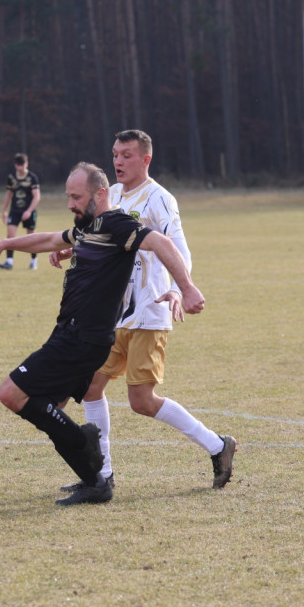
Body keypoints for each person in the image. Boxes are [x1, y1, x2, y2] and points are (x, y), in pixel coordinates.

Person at [0, 162, 205, 505]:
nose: (70, 204)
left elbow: (162, 243)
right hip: (71, 334)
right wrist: (1, 244)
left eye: (75, 197)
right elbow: (50, 238)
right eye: (68, 196)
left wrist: (185, 288)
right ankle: (94, 479)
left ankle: (88, 452)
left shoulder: (116, 224)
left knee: (12, 393)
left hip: (82, 339)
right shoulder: (89, 226)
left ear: (101, 194)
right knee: (50, 408)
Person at [51, 130, 235, 493]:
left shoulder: (160, 199)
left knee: (142, 401)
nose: (118, 161)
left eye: (127, 155)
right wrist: (69, 250)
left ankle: (218, 446)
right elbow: (99, 235)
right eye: (116, 154)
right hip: (113, 312)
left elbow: (177, 248)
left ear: (146, 159)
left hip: (149, 313)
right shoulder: (112, 195)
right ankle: (100, 474)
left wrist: (180, 288)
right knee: (90, 387)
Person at [0, 153, 41, 270]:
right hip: (15, 211)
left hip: (29, 211)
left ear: (26, 164)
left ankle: (33, 261)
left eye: (22, 165)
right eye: (18, 165)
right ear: (15, 165)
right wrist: (4, 211)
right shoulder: (12, 177)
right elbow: (8, 194)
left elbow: (37, 197)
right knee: (10, 236)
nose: (20, 168)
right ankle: (9, 262)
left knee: (31, 237)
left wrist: (29, 211)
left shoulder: (32, 177)